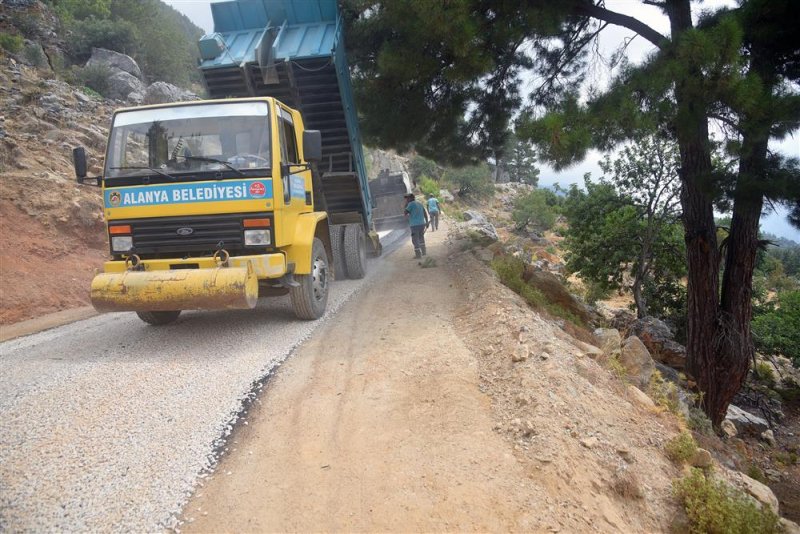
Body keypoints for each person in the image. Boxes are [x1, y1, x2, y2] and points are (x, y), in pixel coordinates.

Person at [404, 193, 429, 259]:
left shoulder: (410, 204)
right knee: (421, 238)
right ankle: (424, 252)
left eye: (407, 198)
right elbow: (425, 213)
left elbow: (405, 213)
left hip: (415, 225)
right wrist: (426, 222)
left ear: (411, 198)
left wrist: (406, 205)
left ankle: (418, 255)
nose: (406, 199)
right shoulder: (419, 203)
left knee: (415, 240)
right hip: (422, 224)